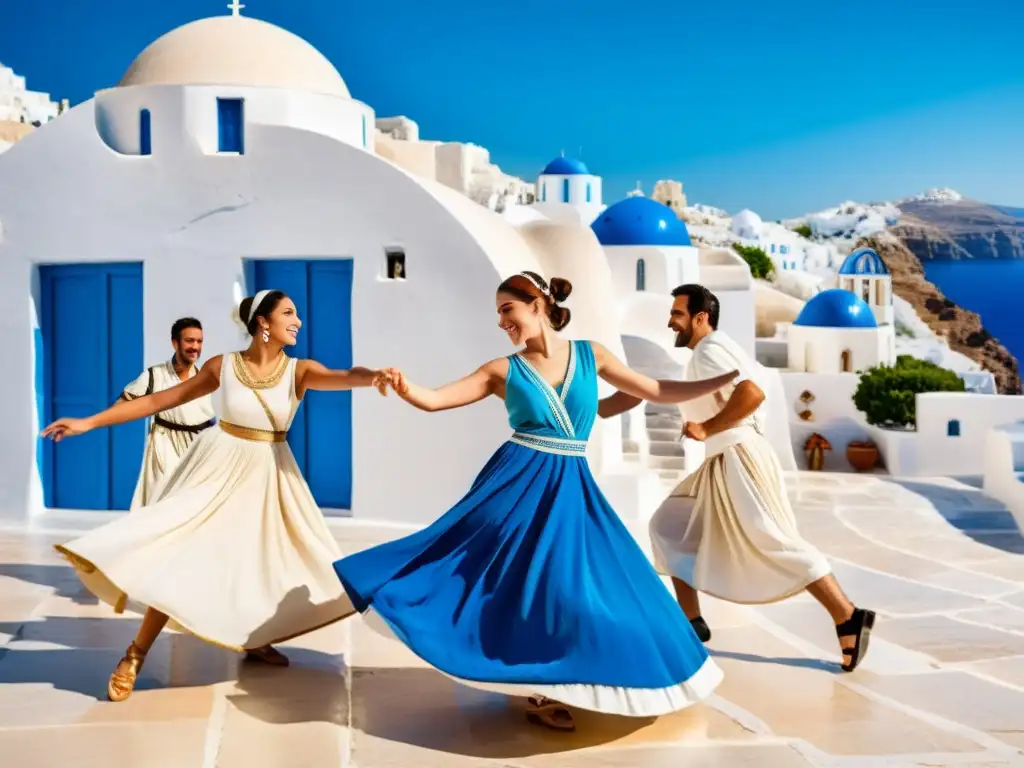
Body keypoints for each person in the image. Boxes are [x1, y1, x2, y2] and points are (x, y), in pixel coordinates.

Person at [333, 271, 739, 733]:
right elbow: (436, 400)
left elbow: (657, 391)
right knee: (501, 578)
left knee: (583, 586)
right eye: (499, 314)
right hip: (516, 481)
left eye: (507, 310)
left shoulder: (592, 355)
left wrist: (718, 382)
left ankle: (564, 677)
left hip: (570, 484)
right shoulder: (500, 370)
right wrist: (406, 387)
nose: (502, 322)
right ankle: (538, 688)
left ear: (537, 305)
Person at [41, 289, 392, 702]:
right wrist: (90, 422)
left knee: (261, 561)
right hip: (216, 468)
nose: (298, 321)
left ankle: (254, 637)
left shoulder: (300, 370)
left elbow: (344, 376)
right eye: (288, 314)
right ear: (263, 322)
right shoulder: (222, 366)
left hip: (268, 476)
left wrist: (374, 377)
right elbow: (160, 399)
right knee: (182, 557)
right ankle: (134, 655)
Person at [597, 284, 876, 672]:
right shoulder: (704, 354)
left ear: (700, 318)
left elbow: (752, 393)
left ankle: (848, 615)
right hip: (720, 460)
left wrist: (707, 428)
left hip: (738, 455)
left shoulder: (712, 349)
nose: (670, 321)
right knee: (669, 526)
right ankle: (691, 622)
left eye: (677, 314)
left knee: (773, 538)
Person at [121, 317, 216, 510]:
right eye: (189, 340)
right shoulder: (154, 376)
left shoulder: (205, 377)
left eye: (199, 341)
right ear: (175, 343)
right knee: (163, 506)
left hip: (198, 448)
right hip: (165, 446)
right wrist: (89, 423)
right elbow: (122, 405)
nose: (195, 346)